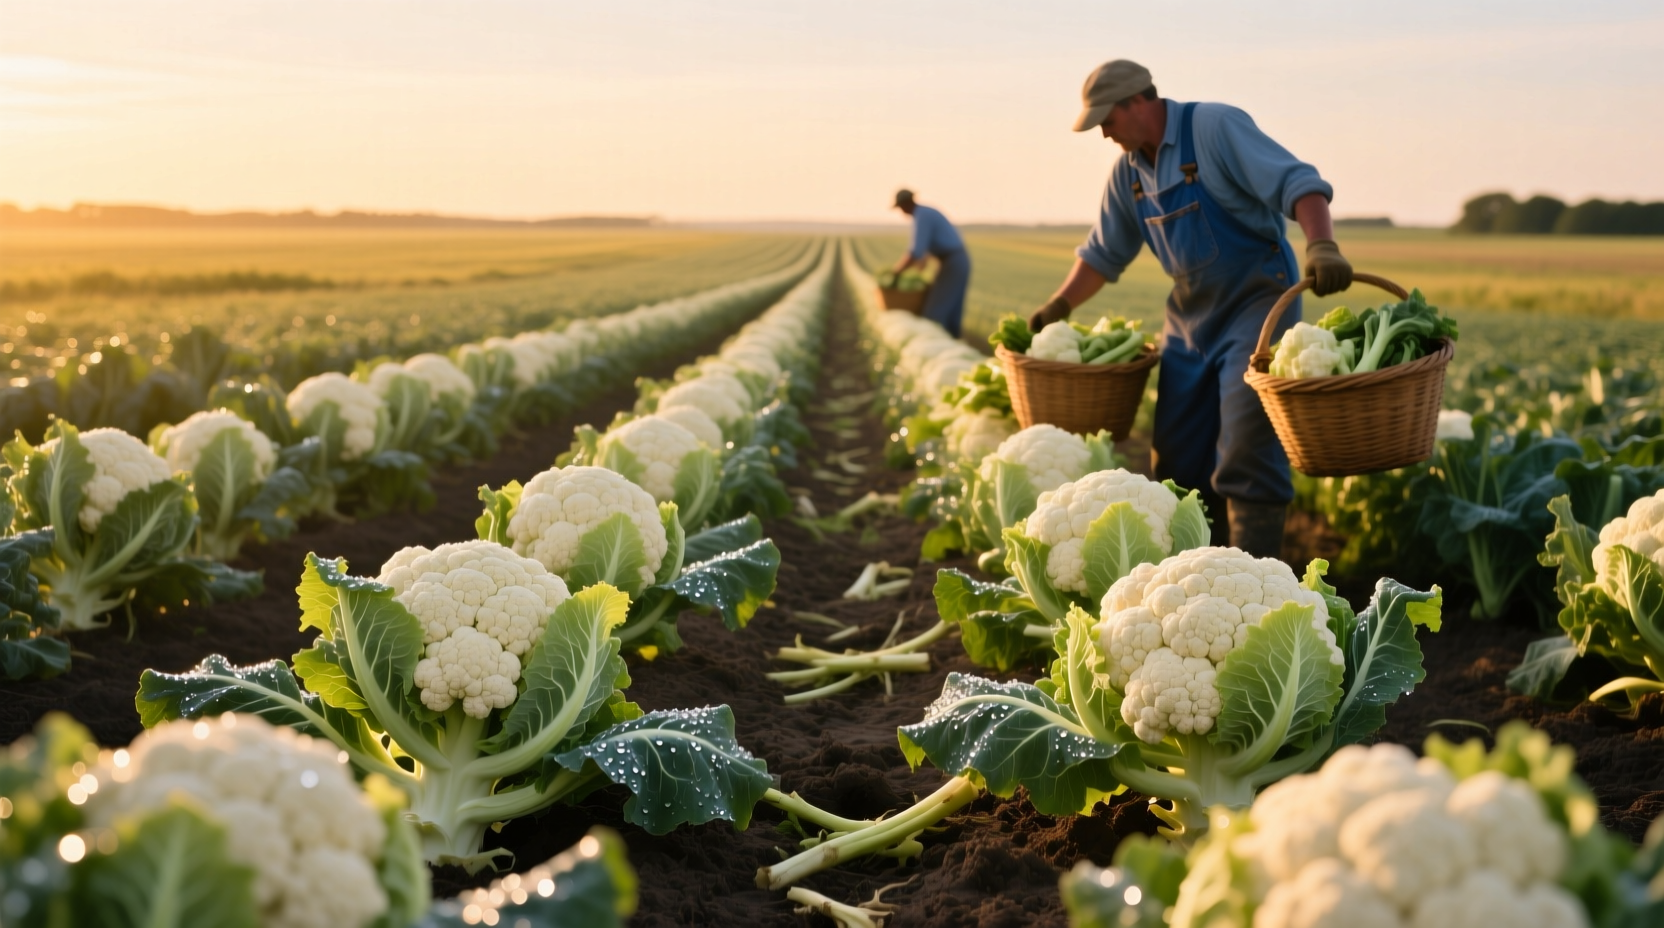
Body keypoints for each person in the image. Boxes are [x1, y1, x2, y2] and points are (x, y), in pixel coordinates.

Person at [1028, 59, 1353, 558]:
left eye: (1107, 120)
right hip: (1189, 318)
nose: (1104, 134)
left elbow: (1299, 183)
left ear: (1139, 101)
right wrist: (1057, 305)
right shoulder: (1129, 174)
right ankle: (1202, 567)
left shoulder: (1214, 128)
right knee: (1176, 452)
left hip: (1257, 303)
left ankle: (1257, 572)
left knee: (1247, 444)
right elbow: (1102, 254)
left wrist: (1322, 246)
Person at [891, 189, 971, 338]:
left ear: (906, 204)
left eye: (900, 207)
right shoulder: (926, 212)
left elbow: (916, 251)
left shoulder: (921, 216)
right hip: (957, 260)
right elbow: (925, 249)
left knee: (934, 311)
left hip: (953, 261)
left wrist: (896, 272)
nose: (901, 212)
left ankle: (941, 343)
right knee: (952, 309)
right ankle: (953, 340)